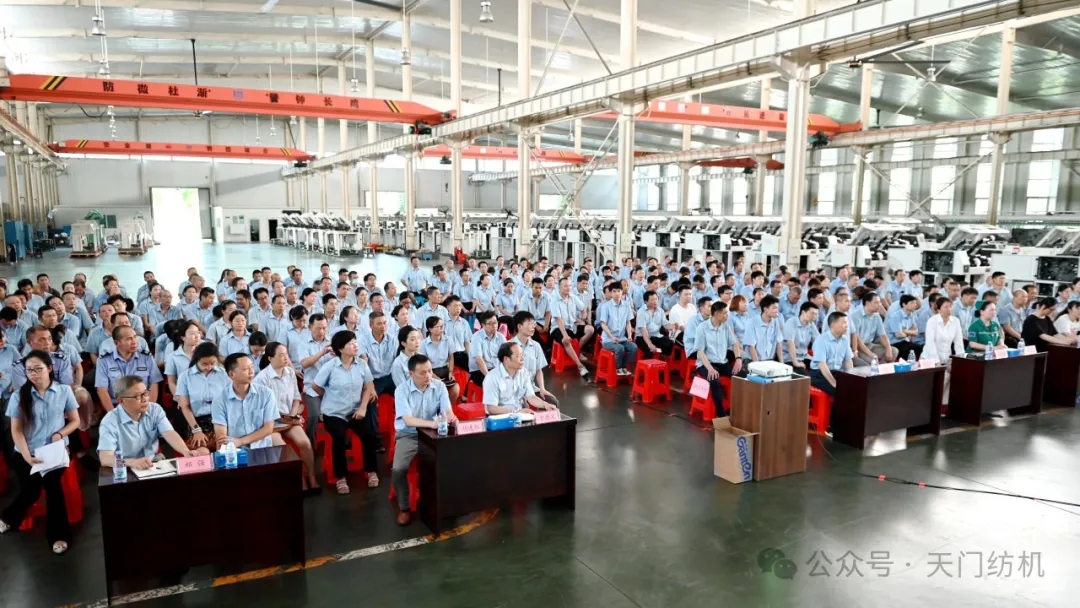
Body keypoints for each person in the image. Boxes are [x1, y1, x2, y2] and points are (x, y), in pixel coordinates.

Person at [0, 350, 80, 554]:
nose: (34, 374)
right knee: (31, 491)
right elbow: (16, 431)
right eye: (29, 370)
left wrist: (60, 434)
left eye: (38, 369)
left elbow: (75, 421)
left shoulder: (64, 391)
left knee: (53, 489)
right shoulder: (19, 395)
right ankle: (8, 517)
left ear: (49, 368)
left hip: (54, 452)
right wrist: (27, 456)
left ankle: (59, 535)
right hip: (26, 452)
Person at [391, 354, 456, 526]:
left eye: (429, 371)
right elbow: (408, 420)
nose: (428, 376)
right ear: (411, 373)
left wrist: (451, 418)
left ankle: (448, 503)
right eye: (422, 373)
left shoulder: (439, 386)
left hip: (434, 433)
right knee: (398, 469)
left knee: (453, 462)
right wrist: (433, 424)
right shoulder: (401, 390)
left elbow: (447, 411)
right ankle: (404, 507)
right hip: (409, 434)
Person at [312, 330, 380, 495]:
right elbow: (316, 386)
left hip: (356, 411)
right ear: (340, 349)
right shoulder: (330, 366)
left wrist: (363, 407)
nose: (355, 345)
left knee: (370, 434)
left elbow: (369, 386)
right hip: (334, 413)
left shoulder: (362, 364)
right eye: (350, 343)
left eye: (355, 341)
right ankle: (340, 477)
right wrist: (329, 397)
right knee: (339, 438)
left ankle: (371, 471)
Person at [255, 342, 320, 494]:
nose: (286, 358)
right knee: (284, 448)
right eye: (281, 355)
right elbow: (263, 409)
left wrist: (292, 416)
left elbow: (296, 398)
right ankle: (299, 479)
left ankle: (311, 476)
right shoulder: (261, 379)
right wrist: (287, 418)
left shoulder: (290, 372)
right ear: (270, 358)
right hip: (270, 423)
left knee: (305, 443)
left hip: (288, 419)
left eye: (286, 355)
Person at [98, 375, 204, 468]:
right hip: (126, 466)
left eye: (145, 393)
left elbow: (169, 433)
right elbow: (105, 459)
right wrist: (132, 462)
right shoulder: (109, 421)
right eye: (138, 396)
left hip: (154, 460)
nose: (145, 399)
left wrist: (185, 451)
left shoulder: (154, 409)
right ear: (121, 401)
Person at [211, 353, 278, 453]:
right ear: (232, 374)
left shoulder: (266, 393)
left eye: (252, 367)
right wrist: (232, 446)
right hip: (234, 451)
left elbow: (268, 428)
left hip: (262, 447)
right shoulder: (219, 400)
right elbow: (222, 438)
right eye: (246, 369)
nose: (251, 371)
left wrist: (241, 441)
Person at [176, 342, 230, 452]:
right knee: (202, 452)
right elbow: (185, 406)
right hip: (197, 422)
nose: (209, 367)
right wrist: (196, 430)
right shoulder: (185, 377)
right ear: (197, 359)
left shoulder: (224, 374)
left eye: (213, 363)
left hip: (221, 419)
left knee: (224, 449)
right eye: (204, 364)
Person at [693, 301, 744, 416]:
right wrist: (710, 369)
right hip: (706, 364)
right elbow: (700, 351)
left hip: (722, 362)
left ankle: (738, 409)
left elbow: (734, 343)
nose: (727, 315)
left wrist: (738, 359)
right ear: (716, 314)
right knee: (715, 381)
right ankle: (720, 414)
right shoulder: (702, 328)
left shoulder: (726, 326)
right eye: (725, 313)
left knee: (742, 376)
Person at [95, 325, 162, 412]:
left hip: (142, 405)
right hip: (117, 407)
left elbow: (154, 384)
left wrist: (148, 411)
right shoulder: (104, 361)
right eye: (129, 339)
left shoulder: (146, 357)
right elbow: (102, 390)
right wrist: (113, 414)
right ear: (116, 343)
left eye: (135, 337)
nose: (134, 342)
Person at [482, 342, 555, 414]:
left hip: (520, 414)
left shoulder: (523, 372)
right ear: (506, 359)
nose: (522, 359)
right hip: (501, 417)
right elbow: (491, 408)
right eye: (518, 356)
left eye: (522, 355)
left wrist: (545, 405)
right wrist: (516, 412)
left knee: (551, 409)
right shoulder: (492, 378)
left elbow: (531, 397)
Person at [922, 296, 965, 404]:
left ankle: (943, 405)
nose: (949, 309)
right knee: (939, 380)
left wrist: (961, 359)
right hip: (930, 358)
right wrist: (936, 361)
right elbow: (930, 343)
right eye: (946, 307)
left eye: (950, 306)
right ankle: (931, 404)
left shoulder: (955, 321)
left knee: (956, 376)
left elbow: (958, 342)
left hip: (946, 358)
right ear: (938, 309)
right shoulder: (932, 321)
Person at [510, 311, 558, 405]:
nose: (533, 327)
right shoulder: (509, 346)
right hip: (513, 390)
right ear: (519, 326)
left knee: (553, 402)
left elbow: (539, 370)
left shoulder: (536, 346)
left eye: (534, 323)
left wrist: (542, 388)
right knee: (523, 407)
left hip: (531, 389)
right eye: (529, 324)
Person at [549, 277, 591, 378]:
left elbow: (583, 308)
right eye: (565, 286)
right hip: (558, 328)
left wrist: (582, 318)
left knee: (590, 329)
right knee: (566, 341)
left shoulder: (573, 297)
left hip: (572, 326)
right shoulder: (554, 300)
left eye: (569, 286)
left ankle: (576, 351)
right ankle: (580, 366)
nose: (568, 288)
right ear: (559, 288)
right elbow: (558, 320)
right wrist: (565, 335)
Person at [809, 312, 854, 403]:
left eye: (847, 323)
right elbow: (822, 365)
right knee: (840, 391)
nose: (847, 326)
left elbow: (848, 361)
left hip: (836, 372)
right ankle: (837, 412)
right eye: (844, 323)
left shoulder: (845, 340)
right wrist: (834, 383)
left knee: (855, 388)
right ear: (833, 324)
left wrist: (852, 378)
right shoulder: (821, 340)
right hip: (819, 374)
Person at [596, 282, 638, 376]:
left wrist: (629, 335)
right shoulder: (606, 306)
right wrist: (612, 337)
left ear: (622, 292)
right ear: (611, 293)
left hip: (622, 338)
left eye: (618, 291)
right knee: (620, 348)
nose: (617, 293)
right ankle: (618, 368)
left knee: (633, 347)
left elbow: (628, 322)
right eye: (614, 291)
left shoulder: (626, 305)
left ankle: (623, 366)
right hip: (608, 339)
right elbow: (603, 324)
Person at [420, 316, 460, 403]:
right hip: (430, 371)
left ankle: (446, 408)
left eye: (442, 326)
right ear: (430, 329)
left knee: (455, 389)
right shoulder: (423, 344)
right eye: (437, 327)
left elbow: (451, 358)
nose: (441, 329)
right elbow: (424, 364)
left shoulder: (448, 340)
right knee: (436, 391)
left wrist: (450, 372)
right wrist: (434, 376)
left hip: (445, 370)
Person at [468, 311, 507, 387]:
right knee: (496, 385)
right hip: (480, 371)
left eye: (495, 323)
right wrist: (489, 377)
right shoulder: (476, 337)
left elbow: (507, 354)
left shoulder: (501, 337)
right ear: (483, 325)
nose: (494, 326)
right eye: (490, 324)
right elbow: (479, 360)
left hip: (496, 369)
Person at [164, 320, 203, 395]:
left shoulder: (205, 352)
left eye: (198, 332)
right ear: (183, 338)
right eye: (193, 333)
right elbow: (171, 382)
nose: (197, 336)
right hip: (183, 395)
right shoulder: (173, 357)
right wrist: (179, 398)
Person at [635, 291, 675, 359]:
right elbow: (643, 331)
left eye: (656, 299)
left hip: (656, 336)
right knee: (649, 350)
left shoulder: (660, 310)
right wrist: (650, 344)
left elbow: (666, 324)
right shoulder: (641, 312)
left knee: (670, 343)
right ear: (646, 301)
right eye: (652, 300)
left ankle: (661, 359)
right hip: (642, 337)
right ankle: (646, 364)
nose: (655, 301)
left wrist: (673, 326)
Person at [745, 294, 784, 363]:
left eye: (777, 308)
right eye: (774, 308)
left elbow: (779, 343)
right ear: (766, 309)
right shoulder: (752, 323)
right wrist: (759, 366)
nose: (777, 311)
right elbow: (751, 347)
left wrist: (782, 363)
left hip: (770, 361)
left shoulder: (776, 322)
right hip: (753, 361)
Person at [783, 302, 820, 373]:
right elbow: (790, 343)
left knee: (822, 370)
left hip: (804, 357)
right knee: (805, 376)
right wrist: (795, 362)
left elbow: (819, 342)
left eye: (816, 314)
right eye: (812, 313)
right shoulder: (792, 322)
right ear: (803, 312)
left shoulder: (811, 325)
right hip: (790, 358)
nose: (815, 316)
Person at [885, 294, 921, 361]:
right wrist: (909, 333)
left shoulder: (912, 315)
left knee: (921, 348)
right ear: (904, 304)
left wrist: (904, 331)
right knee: (907, 352)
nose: (915, 305)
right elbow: (898, 335)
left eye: (915, 303)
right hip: (893, 343)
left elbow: (916, 332)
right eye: (912, 303)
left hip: (904, 341)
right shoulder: (896, 316)